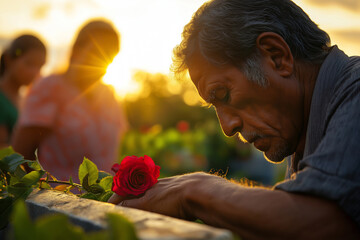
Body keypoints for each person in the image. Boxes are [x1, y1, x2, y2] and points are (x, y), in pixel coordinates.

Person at [108, 0, 360, 238]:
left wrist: (196, 192)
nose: (227, 127)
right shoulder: (303, 130)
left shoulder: (356, 92)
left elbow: (325, 221)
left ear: (276, 56)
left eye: (223, 94)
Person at [12, 19, 128, 181]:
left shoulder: (109, 95)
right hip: (58, 201)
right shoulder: (51, 88)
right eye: (97, 52)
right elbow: (20, 157)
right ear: (77, 50)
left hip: (105, 201)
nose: (104, 61)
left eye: (111, 55)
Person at [0, 34, 46, 148]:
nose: (35, 72)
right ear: (8, 60)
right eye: (30, 63)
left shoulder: (24, 99)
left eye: (40, 66)